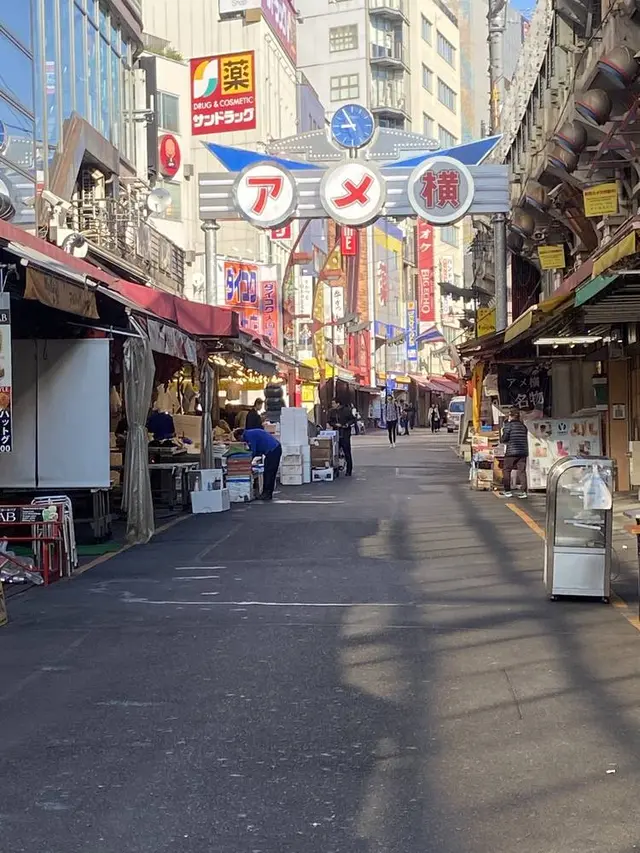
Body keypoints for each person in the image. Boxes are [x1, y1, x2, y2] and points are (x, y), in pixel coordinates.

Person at [234, 428, 282, 501]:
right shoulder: (251, 433)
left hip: (273, 450)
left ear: (240, 436)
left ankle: (267, 494)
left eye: (239, 440)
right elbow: (257, 450)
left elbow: (253, 451)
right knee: (268, 472)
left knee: (269, 472)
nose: (242, 441)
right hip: (273, 449)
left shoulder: (249, 435)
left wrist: (246, 461)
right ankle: (266, 493)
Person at [500, 408, 529, 498]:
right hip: (523, 452)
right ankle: (524, 492)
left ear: (511, 415)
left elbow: (504, 439)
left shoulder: (509, 426)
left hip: (511, 452)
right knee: (522, 471)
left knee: (507, 470)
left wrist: (502, 436)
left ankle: (508, 491)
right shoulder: (523, 426)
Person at [328, 399, 356, 476]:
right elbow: (330, 421)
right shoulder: (332, 411)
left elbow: (353, 420)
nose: (332, 405)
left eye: (333, 403)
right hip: (336, 433)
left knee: (347, 452)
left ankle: (349, 470)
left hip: (345, 433)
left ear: (338, 403)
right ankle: (336, 470)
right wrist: (334, 424)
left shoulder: (346, 410)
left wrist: (346, 424)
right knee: (335, 453)